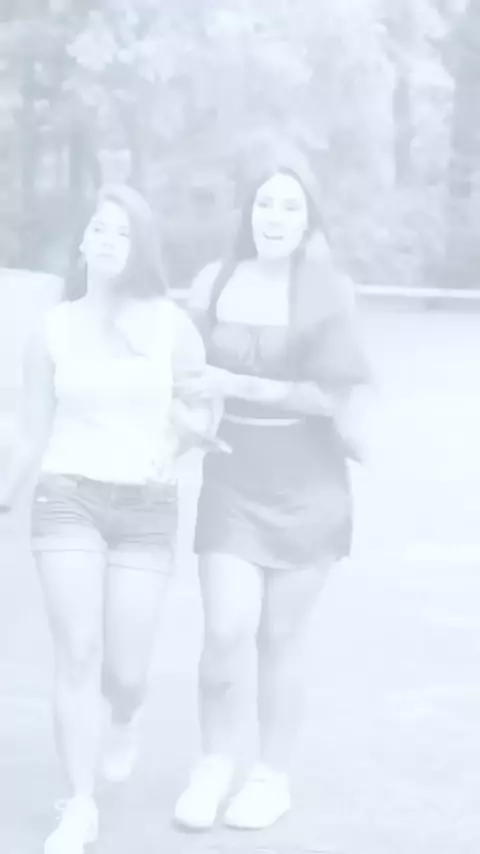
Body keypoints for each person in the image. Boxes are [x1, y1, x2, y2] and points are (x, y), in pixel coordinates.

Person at [0, 184, 217, 854]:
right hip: (66, 498)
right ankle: (79, 805)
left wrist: (183, 436)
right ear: (83, 242)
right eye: (99, 228)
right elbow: (31, 428)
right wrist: (5, 493)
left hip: (146, 509)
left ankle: (124, 716)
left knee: (125, 669)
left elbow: (203, 408)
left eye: (123, 232)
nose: (108, 240)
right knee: (77, 651)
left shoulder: (172, 327)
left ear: (140, 249)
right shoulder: (53, 329)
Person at [174, 150, 373, 831]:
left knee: (281, 638)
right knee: (225, 629)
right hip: (233, 477)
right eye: (264, 203)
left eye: (291, 205)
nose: (275, 217)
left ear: (308, 218)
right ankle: (212, 765)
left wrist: (237, 385)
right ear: (247, 212)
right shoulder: (214, 281)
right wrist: (188, 420)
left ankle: (270, 778)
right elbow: (186, 373)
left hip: (309, 483)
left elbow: (331, 397)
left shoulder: (328, 290)